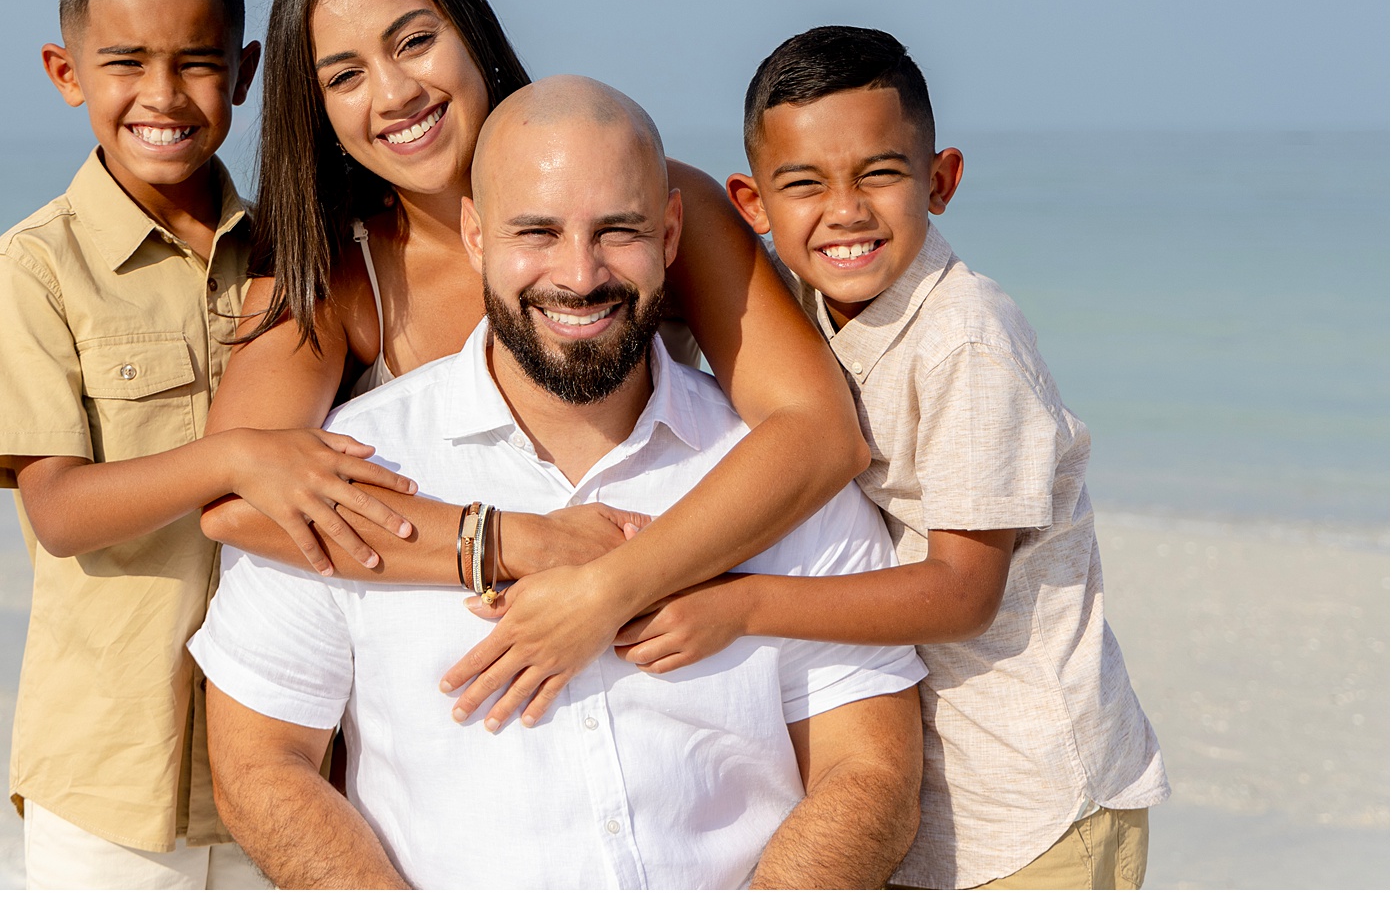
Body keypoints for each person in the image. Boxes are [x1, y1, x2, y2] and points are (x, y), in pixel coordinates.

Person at [191, 77, 928, 889]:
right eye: (536, 231)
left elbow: (871, 771)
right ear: (474, 234)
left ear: (672, 233)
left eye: (617, 230)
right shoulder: (355, 463)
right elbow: (263, 765)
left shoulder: (771, 471)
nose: (579, 275)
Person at [199, 0, 871, 730]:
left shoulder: (662, 203)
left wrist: (610, 587)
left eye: (414, 41)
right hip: (456, 703)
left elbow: (821, 432)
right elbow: (237, 502)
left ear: (470, 30)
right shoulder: (338, 274)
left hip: (663, 667)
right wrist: (512, 542)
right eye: (344, 77)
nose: (395, 92)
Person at [616, 25, 1168, 889]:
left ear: (939, 180)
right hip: (930, 783)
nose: (846, 211)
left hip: (1039, 800)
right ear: (753, 205)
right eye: (803, 184)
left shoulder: (967, 339)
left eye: (880, 173)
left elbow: (964, 591)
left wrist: (742, 604)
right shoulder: (799, 294)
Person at [0, 0, 417, 888]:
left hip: (296, 761)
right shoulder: (33, 270)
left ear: (247, 73)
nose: (162, 95)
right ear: (65, 71)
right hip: (111, 779)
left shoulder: (304, 260)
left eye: (198, 63)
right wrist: (235, 455)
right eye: (123, 63)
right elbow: (62, 512)